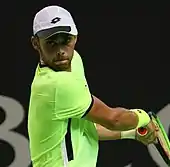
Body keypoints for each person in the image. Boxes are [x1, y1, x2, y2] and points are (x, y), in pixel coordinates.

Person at [28, 5, 157, 167]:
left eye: (66, 40)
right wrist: (143, 117)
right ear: (36, 43)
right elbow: (113, 119)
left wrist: (131, 133)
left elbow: (86, 128)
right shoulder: (57, 84)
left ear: (75, 36)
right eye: (51, 43)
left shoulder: (74, 61)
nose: (61, 50)